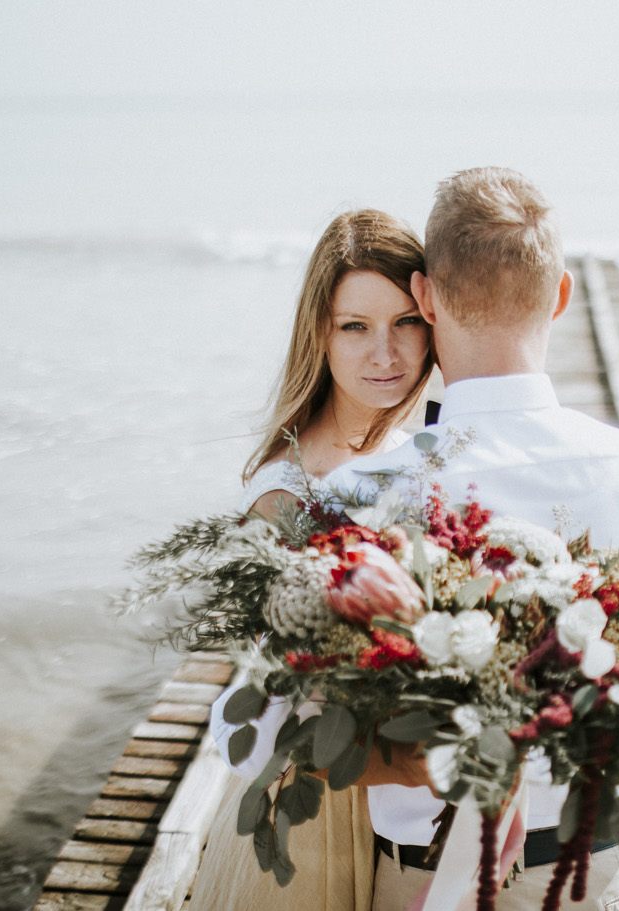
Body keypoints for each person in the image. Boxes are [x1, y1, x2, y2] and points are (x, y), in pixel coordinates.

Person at [324, 168, 619, 911]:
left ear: (426, 299)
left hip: (427, 882)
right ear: (560, 294)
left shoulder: (362, 495)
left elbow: (303, 734)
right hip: (596, 871)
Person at [190, 208, 434, 911]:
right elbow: (280, 704)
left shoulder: (407, 452)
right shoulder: (285, 493)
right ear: (319, 335)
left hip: (394, 811)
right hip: (318, 804)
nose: (384, 353)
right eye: (354, 326)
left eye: (405, 322)